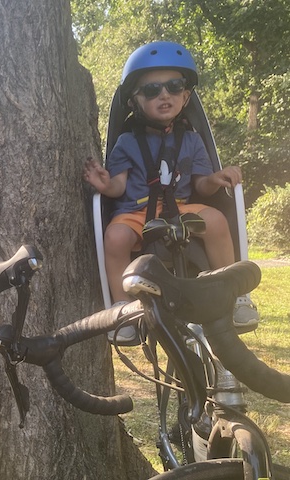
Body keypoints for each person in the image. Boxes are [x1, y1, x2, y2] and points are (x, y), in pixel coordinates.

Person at [83, 41, 259, 344]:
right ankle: (122, 309)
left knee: (216, 219)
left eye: (174, 87)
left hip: (180, 208)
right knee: (114, 238)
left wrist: (215, 179)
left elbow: (200, 186)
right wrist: (104, 185)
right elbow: (119, 186)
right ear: (134, 102)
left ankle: (234, 294)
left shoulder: (191, 141)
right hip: (135, 213)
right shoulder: (126, 142)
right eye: (151, 90)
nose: (164, 95)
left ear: (185, 96)